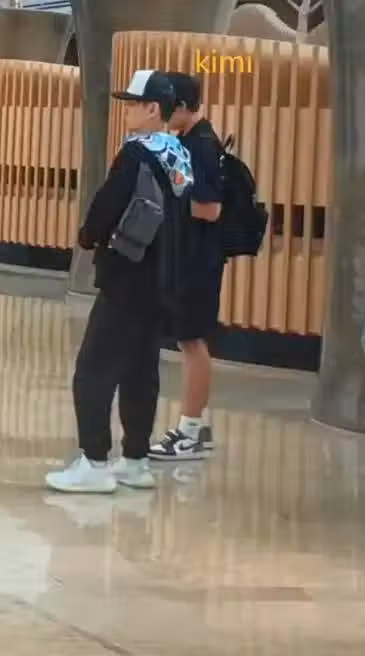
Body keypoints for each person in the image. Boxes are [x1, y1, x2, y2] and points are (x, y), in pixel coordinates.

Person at [46, 70, 193, 493]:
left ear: (153, 109)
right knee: (140, 371)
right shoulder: (180, 157)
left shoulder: (136, 154)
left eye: (133, 103)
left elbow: (107, 205)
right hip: (163, 282)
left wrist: (87, 236)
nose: (126, 111)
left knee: (93, 369)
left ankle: (94, 462)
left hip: (127, 277)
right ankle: (135, 460)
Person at [148, 72, 225, 462]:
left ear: (180, 106)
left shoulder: (201, 146)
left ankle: (190, 431)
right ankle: (196, 428)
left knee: (193, 343)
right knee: (189, 341)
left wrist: (170, 198)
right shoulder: (192, 141)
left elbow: (210, 209)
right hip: (191, 258)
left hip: (199, 262)